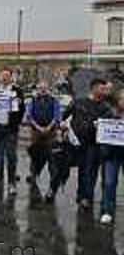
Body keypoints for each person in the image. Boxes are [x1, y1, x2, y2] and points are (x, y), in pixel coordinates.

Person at [62, 77, 112, 210]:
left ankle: (86, 197)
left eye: (105, 89)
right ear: (94, 88)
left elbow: (110, 123)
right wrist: (62, 124)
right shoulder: (79, 101)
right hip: (76, 142)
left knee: (90, 171)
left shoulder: (105, 106)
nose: (105, 91)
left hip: (94, 143)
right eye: (102, 88)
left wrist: (100, 125)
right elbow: (65, 114)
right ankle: (80, 195)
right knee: (81, 170)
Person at [0, 68, 25, 196]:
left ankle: (11, 183)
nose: (4, 78)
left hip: (10, 129)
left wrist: (15, 122)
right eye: (3, 76)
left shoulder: (17, 92)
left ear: (11, 78)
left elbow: (22, 109)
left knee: (11, 156)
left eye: (7, 76)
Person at [26, 80, 62, 190]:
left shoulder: (54, 100)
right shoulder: (32, 101)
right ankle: (34, 174)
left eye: (44, 88)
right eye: (40, 88)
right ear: (37, 89)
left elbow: (57, 116)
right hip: (36, 132)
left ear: (48, 89)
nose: (42, 89)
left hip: (51, 132)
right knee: (35, 155)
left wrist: (49, 127)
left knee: (52, 156)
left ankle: (53, 178)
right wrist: (38, 127)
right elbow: (29, 116)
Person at [99, 89, 124, 225]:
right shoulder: (110, 113)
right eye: (122, 99)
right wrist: (99, 127)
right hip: (111, 155)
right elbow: (103, 131)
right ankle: (107, 211)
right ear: (118, 101)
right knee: (109, 183)